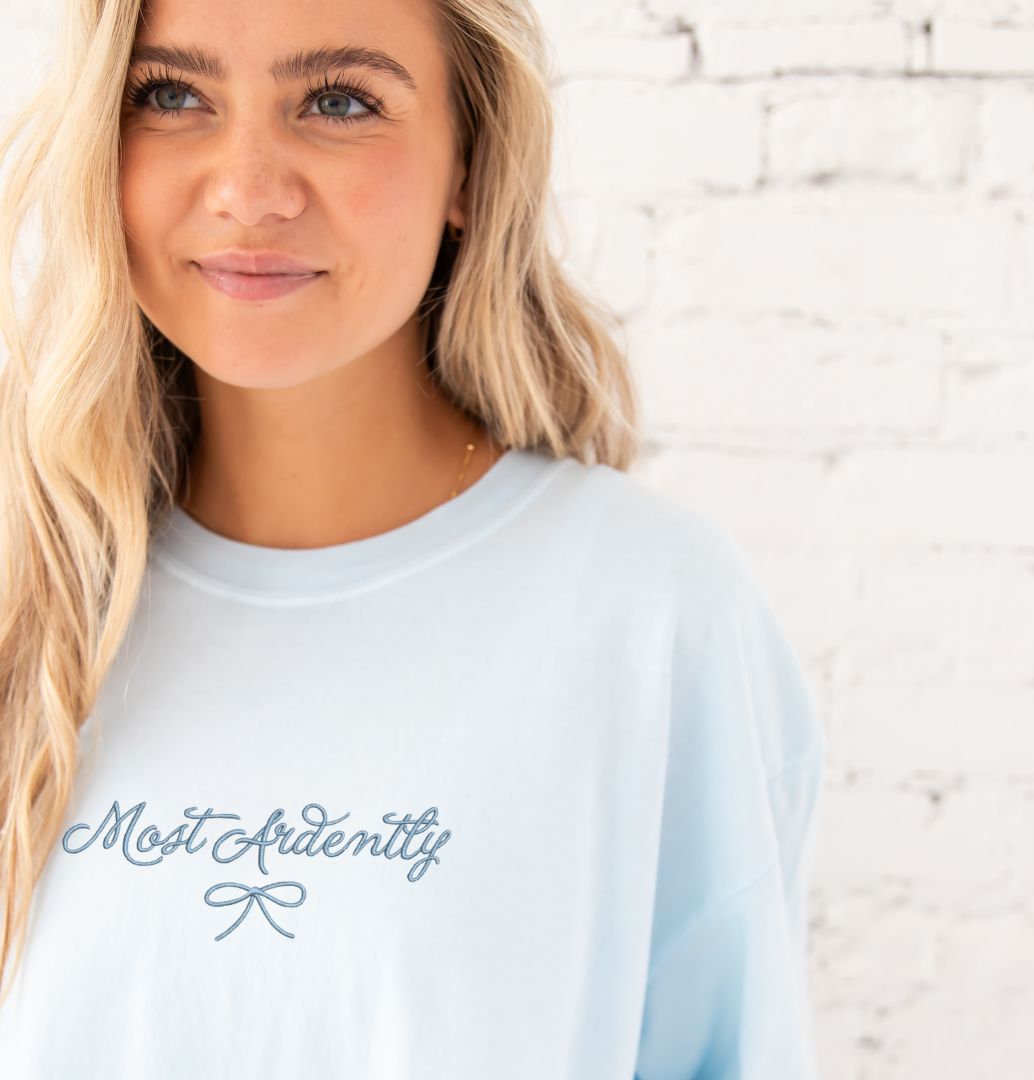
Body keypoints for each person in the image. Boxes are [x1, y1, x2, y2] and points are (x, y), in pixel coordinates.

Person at [0, 0, 828, 1076]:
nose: (248, 189)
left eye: (339, 101)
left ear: (471, 168)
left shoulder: (646, 616)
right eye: (172, 96)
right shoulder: (31, 588)